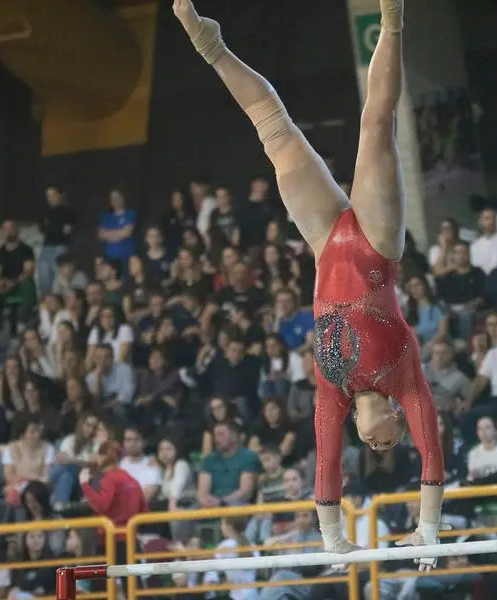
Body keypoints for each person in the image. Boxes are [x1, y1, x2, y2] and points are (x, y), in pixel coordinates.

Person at [172, 0, 444, 567]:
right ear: (396, 417)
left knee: (275, 133)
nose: (375, 443)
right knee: (376, 123)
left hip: (325, 246)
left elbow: (326, 465)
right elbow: (433, 454)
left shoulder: (333, 390)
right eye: (390, 441)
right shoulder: (405, 377)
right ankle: (392, 18)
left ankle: (212, 48)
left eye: (372, 447)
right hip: (375, 243)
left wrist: (334, 540)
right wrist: (428, 531)